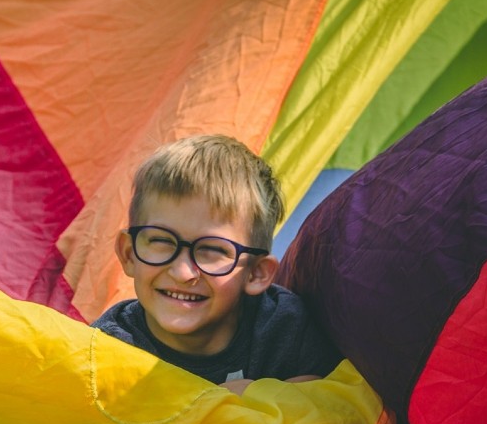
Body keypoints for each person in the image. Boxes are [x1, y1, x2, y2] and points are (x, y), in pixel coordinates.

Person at [92, 135, 342, 394]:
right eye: (161, 241)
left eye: (211, 250)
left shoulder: (285, 330)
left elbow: (337, 401)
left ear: (256, 273)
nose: (182, 273)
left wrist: (265, 399)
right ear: (129, 254)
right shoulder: (106, 352)